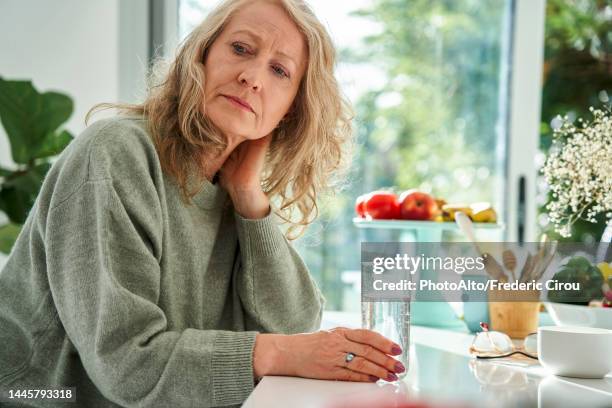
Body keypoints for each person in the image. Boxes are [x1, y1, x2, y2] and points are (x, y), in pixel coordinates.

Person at [0, 0, 405, 407]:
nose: (251, 77)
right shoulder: (115, 154)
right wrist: (282, 353)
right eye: (241, 49)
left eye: (279, 70)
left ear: (288, 111)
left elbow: (294, 324)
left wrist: (250, 200)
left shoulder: (231, 187)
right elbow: (128, 364)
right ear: (202, 54)